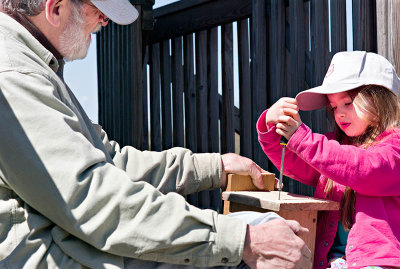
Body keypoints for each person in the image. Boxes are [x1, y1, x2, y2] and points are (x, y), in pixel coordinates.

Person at [0, 0, 312, 268]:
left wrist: (214, 167)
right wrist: (240, 240)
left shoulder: (35, 67)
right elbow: (92, 198)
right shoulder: (15, 75)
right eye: (98, 11)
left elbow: (111, 162)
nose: (104, 22)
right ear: (55, 8)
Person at [257, 50, 400, 269]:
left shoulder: (394, 147)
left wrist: (302, 138)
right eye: (333, 106)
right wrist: (271, 125)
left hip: (379, 263)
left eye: (348, 103)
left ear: (380, 100)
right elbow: (296, 162)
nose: (339, 113)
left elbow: (362, 167)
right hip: (334, 261)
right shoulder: (335, 148)